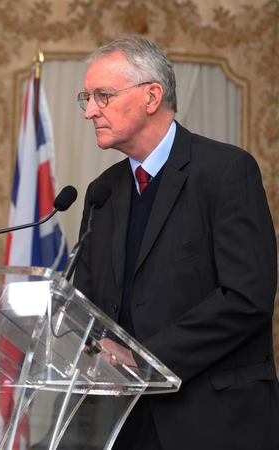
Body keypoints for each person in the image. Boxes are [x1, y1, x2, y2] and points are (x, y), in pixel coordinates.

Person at [72, 35, 279, 449]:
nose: (91, 110)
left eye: (103, 95)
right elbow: (86, 304)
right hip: (122, 425)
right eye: (87, 98)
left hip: (214, 421)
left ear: (152, 96)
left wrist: (144, 359)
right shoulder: (103, 191)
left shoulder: (225, 171)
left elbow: (246, 296)